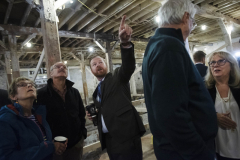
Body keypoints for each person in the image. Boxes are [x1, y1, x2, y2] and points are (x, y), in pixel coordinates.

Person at [142, 0, 218, 159]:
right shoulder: (169, 47)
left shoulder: (159, 44)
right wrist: (200, 154)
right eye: (193, 21)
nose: (192, 25)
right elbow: (171, 115)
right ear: (185, 17)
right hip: (184, 153)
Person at [87, 15, 146, 160]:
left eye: (100, 62)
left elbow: (128, 66)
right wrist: (94, 117)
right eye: (94, 64)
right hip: (110, 140)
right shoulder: (96, 93)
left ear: (106, 65)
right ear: (91, 70)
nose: (97, 65)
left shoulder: (118, 77)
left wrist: (125, 44)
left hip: (126, 137)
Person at [0, 77, 67, 160]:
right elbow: (7, 156)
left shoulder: (38, 115)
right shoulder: (6, 120)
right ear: (13, 96)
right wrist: (49, 147)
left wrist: (54, 145)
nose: (29, 86)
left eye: (32, 85)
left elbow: (42, 140)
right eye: (22, 85)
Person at [37, 62, 87, 160]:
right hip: (54, 147)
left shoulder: (74, 92)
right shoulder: (41, 95)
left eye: (64, 67)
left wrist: (82, 134)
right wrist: (49, 143)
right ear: (51, 73)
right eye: (57, 67)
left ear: (67, 73)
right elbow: (39, 121)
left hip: (76, 144)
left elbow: (81, 114)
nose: (61, 68)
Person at [206, 51, 240, 160]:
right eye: (212, 62)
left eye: (221, 61)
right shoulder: (204, 90)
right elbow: (197, 113)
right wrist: (214, 116)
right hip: (219, 149)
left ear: (232, 65)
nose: (215, 65)